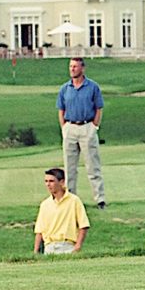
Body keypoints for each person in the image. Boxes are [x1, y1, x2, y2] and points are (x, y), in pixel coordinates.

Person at [57, 57, 106, 209]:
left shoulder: (92, 87)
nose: (72, 69)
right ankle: (70, 199)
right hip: (70, 127)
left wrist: (94, 127)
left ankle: (100, 199)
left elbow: (99, 108)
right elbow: (61, 109)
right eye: (71, 66)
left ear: (82, 69)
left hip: (87, 127)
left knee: (92, 166)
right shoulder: (65, 88)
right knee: (70, 167)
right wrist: (64, 127)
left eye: (75, 67)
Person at [34, 168, 90, 254]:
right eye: (46, 181)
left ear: (61, 182)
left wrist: (78, 246)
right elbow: (39, 231)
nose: (48, 184)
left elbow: (83, 225)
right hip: (49, 247)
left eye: (51, 181)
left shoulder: (74, 201)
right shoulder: (45, 204)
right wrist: (36, 251)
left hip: (67, 245)